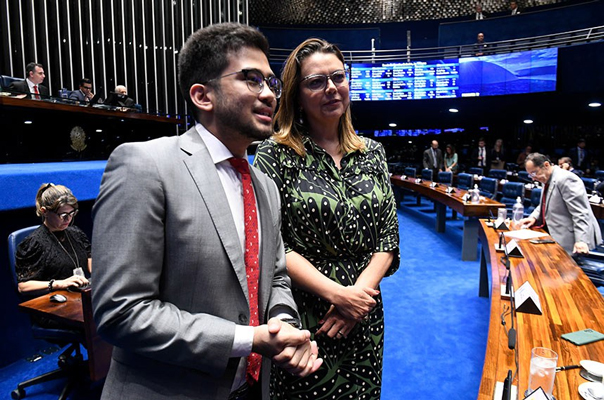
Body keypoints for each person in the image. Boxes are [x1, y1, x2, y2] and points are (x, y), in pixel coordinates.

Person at [91, 22, 321, 400]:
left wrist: (281, 325)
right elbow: (121, 313)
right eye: (251, 79)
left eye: (271, 83)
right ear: (202, 95)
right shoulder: (144, 165)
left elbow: (276, 277)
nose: (268, 95)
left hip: (249, 389)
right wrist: (248, 339)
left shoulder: (264, 185)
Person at [254, 38, 400, 400]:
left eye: (338, 76)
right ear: (297, 95)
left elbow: (388, 236)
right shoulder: (275, 154)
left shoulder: (373, 152)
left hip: (365, 314)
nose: (332, 87)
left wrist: (357, 300)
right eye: (316, 81)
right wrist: (338, 295)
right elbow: (271, 244)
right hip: (310, 318)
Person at [15, 183, 91, 312]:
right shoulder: (34, 243)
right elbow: (23, 286)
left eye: (72, 213)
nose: (69, 219)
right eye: (63, 215)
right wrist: (59, 283)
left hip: (78, 297)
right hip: (54, 305)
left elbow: (90, 258)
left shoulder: (75, 233)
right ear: (45, 211)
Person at [519, 153, 601, 254]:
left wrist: (581, 240)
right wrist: (534, 217)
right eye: (530, 174)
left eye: (534, 173)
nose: (533, 178)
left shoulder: (566, 179)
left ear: (546, 165)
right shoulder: (546, 177)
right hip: (554, 233)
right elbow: (546, 202)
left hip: (570, 239)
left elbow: (580, 213)